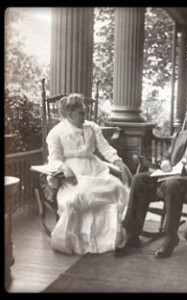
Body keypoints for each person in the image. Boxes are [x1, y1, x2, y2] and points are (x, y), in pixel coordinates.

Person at [115, 92, 187, 258]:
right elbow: (169, 156)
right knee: (139, 179)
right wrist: (165, 162)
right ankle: (132, 235)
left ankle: (171, 238)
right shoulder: (181, 134)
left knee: (172, 183)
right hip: (173, 177)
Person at [46, 93, 132, 255]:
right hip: (73, 173)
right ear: (69, 114)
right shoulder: (56, 132)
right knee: (82, 195)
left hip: (95, 168)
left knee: (117, 187)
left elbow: (105, 148)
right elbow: (54, 159)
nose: (84, 117)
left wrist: (118, 162)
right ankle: (83, 239)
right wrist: (64, 168)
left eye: (85, 112)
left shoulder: (91, 127)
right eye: (81, 113)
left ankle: (111, 237)